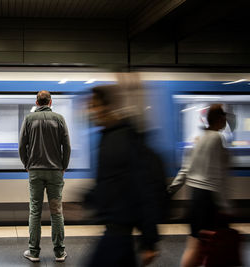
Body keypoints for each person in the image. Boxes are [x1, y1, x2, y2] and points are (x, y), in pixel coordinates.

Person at [85, 84, 160, 267]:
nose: (89, 111)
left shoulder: (124, 138)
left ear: (107, 107)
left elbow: (145, 188)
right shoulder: (108, 136)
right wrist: (87, 198)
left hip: (118, 230)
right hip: (118, 230)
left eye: (93, 105)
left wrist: (149, 240)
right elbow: (110, 181)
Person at [168, 104, 230, 267]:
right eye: (225, 118)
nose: (226, 121)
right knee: (216, 245)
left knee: (194, 244)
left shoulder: (199, 138)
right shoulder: (217, 138)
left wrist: (171, 189)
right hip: (209, 199)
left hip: (195, 197)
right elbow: (218, 175)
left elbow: (186, 169)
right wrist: (225, 205)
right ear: (220, 119)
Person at [19, 90, 71, 263]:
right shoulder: (59, 118)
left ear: (37, 102)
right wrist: (63, 166)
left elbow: (21, 146)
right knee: (56, 212)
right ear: (50, 102)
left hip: (35, 171)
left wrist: (27, 165)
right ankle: (59, 253)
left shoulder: (28, 119)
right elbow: (67, 146)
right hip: (55, 171)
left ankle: (33, 252)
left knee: (35, 211)